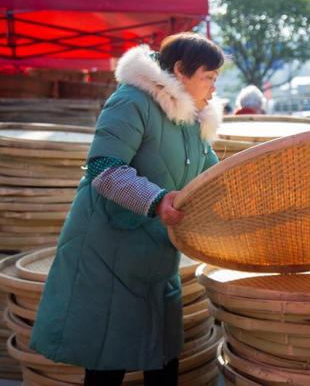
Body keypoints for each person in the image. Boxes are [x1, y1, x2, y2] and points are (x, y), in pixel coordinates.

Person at [30, 33, 224, 386]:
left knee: (163, 358)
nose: (213, 88)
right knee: (107, 360)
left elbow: (213, 177)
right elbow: (104, 169)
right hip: (108, 255)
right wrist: (156, 200)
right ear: (181, 70)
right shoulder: (131, 101)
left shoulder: (194, 122)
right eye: (208, 77)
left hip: (155, 257)